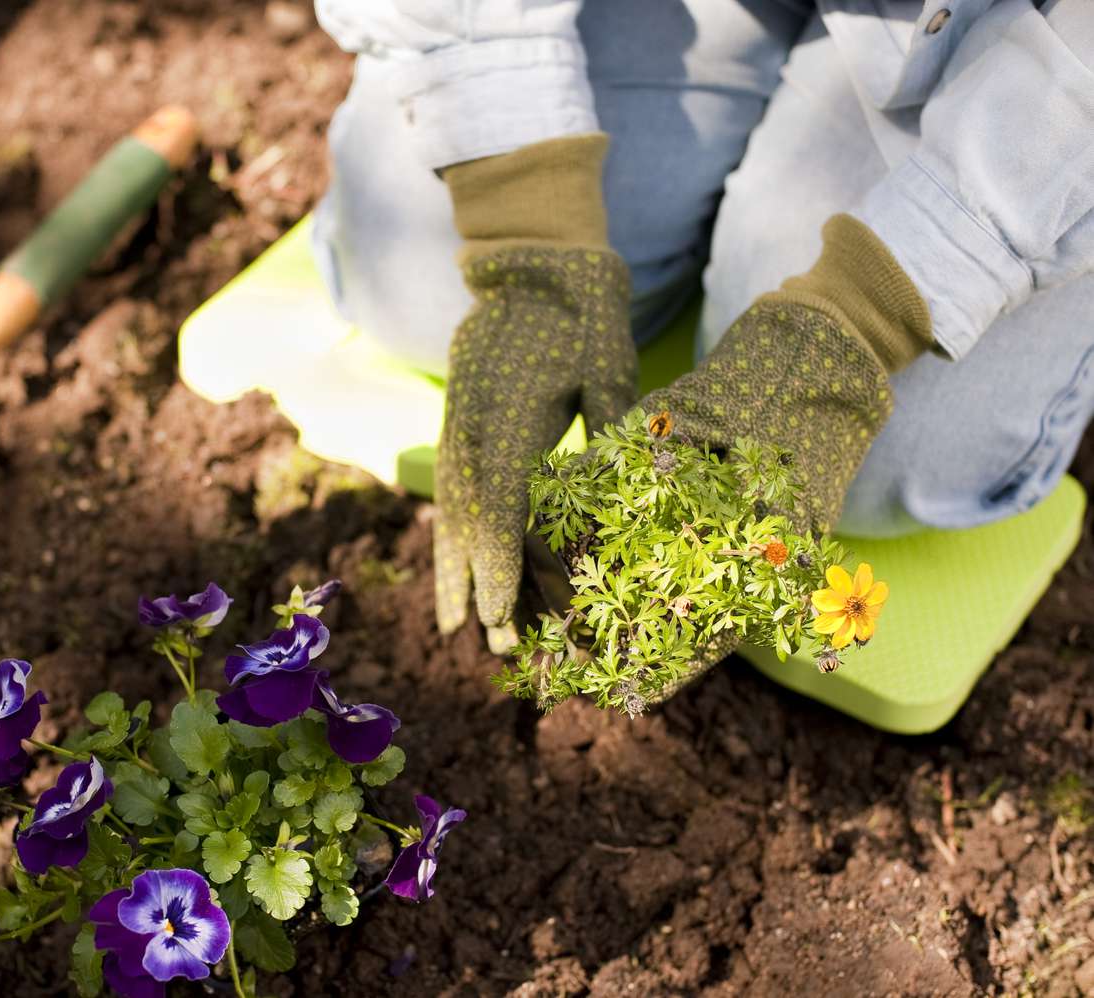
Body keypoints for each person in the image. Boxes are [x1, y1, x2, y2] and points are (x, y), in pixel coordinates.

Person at [310, 0, 1094, 653]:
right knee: (414, 277)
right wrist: (523, 214)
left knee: (889, 465)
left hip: (1033, 57)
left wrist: (864, 314)